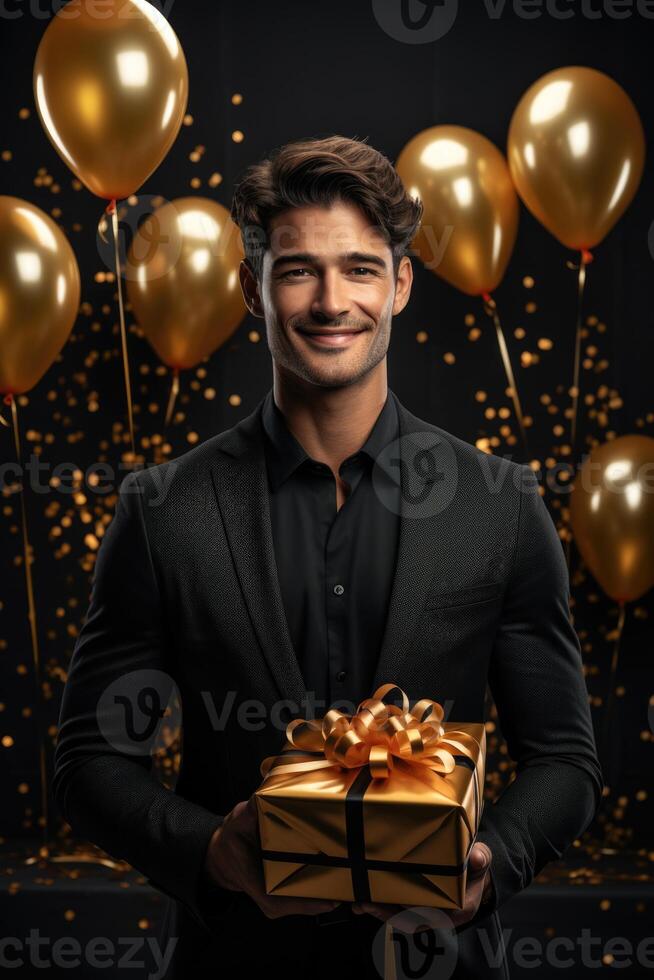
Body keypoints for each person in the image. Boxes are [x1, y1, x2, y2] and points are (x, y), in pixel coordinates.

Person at [53, 135, 603, 979]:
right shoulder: (163, 510)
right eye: (298, 270)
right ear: (253, 290)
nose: (330, 301)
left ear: (402, 285)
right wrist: (211, 850)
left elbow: (565, 761)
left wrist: (491, 863)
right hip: (235, 964)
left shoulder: (501, 505)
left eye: (361, 269)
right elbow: (89, 764)